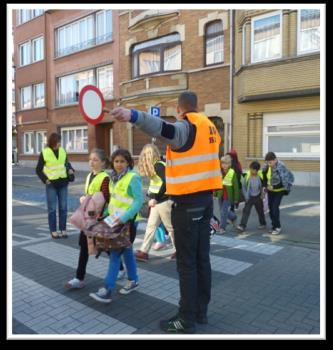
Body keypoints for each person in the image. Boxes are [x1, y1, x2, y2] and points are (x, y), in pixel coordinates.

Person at [103, 90, 222, 334]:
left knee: (187, 265)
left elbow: (163, 129)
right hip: (205, 201)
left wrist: (132, 115)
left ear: (180, 109)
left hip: (188, 205)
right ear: (195, 106)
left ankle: (185, 318)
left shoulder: (187, 127)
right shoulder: (209, 126)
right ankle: (200, 312)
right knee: (202, 261)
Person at [89, 149, 143, 303]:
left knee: (115, 254)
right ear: (112, 162)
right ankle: (133, 280)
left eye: (122, 161)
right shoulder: (113, 178)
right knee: (126, 251)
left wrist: (124, 217)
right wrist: (105, 214)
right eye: (116, 161)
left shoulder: (133, 178)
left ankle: (107, 289)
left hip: (128, 222)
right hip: (114, 221)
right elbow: (114, 200)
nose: (119, 164)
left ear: (128, 163)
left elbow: (138, 201)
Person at [65, 149, 110, 289]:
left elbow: (106, 198)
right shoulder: (89, 175)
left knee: (105, 245)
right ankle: (79, 278)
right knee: (85, 246)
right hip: (88, 218)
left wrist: (91, 203)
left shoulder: (105, 178)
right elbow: (89, 194)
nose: (91, 162)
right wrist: (84, 199)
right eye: (90, 159)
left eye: (95, 159)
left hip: (98, 218)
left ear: (103, 162)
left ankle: (120, 267)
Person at [135, 143, 176, 262]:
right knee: (151, 227)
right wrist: (150, 195)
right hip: (158, 202)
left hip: (163, 202)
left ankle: (180, 250)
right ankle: (144, 251)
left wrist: (155, 198)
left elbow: (166, 182)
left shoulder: (159, 166)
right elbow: (156, 184)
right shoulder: (155, 166)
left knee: (170, 228)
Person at [36, 133, 74, 239]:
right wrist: (45, 180)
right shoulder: (45, 152)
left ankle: (63, 229)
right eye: (58, 142)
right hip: (51, 185)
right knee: (52, 209)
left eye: (60, 142)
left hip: (63, 183)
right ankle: (53, 230)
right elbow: (38, 169)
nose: (59, 144)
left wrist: (70, 169)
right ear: (52, 142)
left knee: (63, 208)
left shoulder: (62, 151)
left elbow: (66, 163)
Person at [262, 152, 294, 235]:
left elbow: (284, 180)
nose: (269, 164)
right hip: (271, 191)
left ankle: (278, 227)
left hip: (280, 190)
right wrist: (265, 186)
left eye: (270, 162)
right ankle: (274, 226)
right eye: (267, 162)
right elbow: (264, 178)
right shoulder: (266, 167)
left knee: (275, 207)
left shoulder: (281, 167)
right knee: (271, 208)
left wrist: (274, 187)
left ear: (275, 160)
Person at [236, 161, 266, 233]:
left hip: (258, 197)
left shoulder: (260, 176)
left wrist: (262, 194)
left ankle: (263, 223)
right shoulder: (247, 176)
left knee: (260, 211)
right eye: (251, 169)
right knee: (246, 211)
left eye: (253, 169)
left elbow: (262, 186)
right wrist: (246, 196)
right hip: (250, 197)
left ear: (257, 170)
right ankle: (242, 226)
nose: (252, 171)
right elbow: (243, 187)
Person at [214, 155, 239, 234]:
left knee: (223, 212)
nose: (224, 165)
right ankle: (233, 217)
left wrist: (236, 198)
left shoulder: (232, 172)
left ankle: (222, 228)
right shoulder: (219, 172)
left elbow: (236, 186)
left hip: (228, 196)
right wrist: (214, 192)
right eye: (223, 163)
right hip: (220, 195)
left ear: (229, 164)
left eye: (226, 163)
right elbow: (216, 182)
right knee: (222, 211)